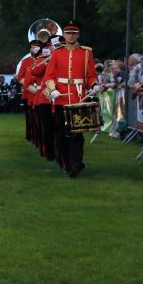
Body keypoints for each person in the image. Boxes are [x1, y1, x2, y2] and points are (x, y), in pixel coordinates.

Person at [42, 20, 97, 178]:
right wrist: (52, 91)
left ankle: (75, 164)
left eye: (74, 33)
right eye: (68, 33)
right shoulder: (57, 53)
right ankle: (66, 162)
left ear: (78, 34)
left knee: (77, 133)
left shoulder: (86, 53)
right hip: (61, 98)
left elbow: (91, 75)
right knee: (62, 133)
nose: (71, 36)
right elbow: (49, 75)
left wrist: (93, 84)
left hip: (79, 98)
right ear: (64, 35)